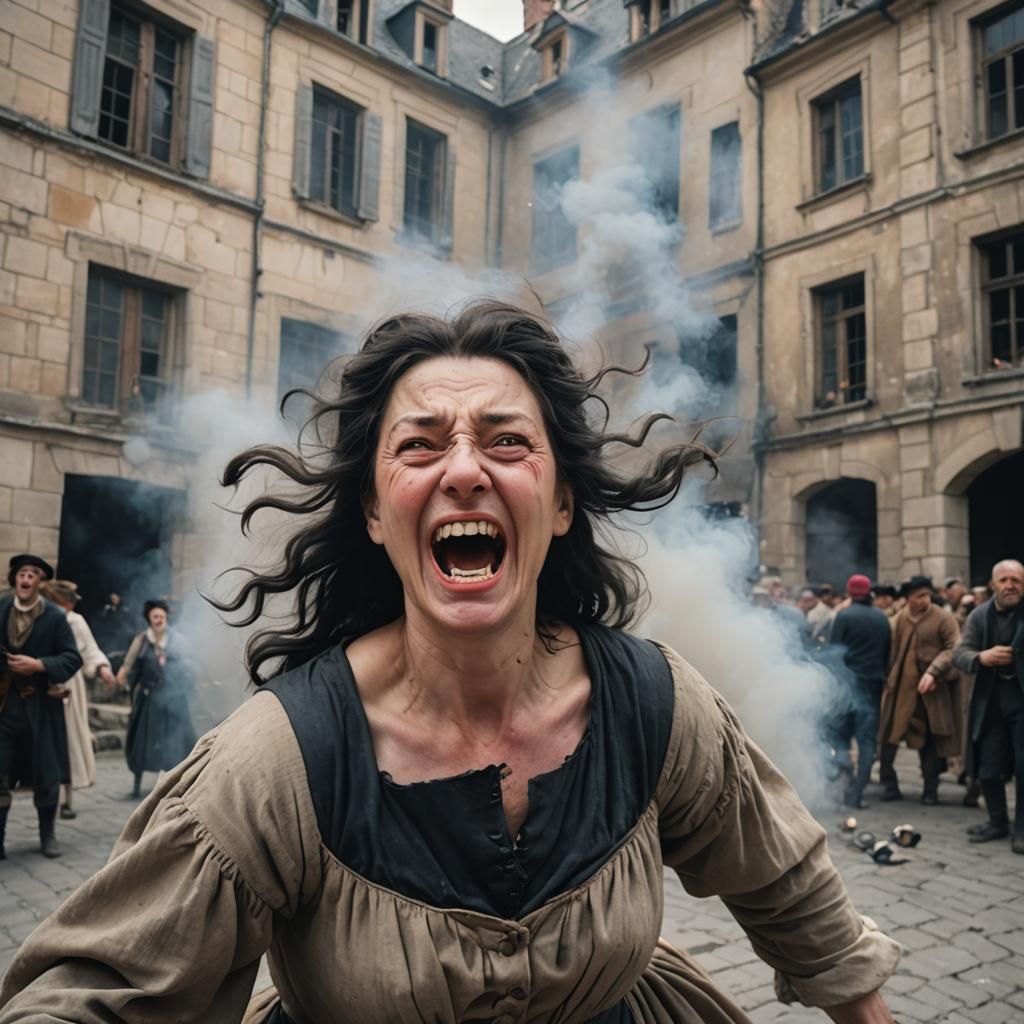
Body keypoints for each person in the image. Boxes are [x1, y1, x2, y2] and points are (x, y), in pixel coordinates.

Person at [0, 303, 899, 1023]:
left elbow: (788, 885)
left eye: (507, 441)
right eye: (420, 444)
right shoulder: (279, 760)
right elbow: (88, 997)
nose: (464, 469)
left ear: (558, 504)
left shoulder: (655, 702)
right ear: (373, 512)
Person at [0, 554, 82, 859]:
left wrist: (38, 664)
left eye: (33, 574)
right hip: (5, 709)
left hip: (41, 710)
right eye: (22, 573)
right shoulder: (1, 608)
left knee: (46, 775)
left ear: (39, 582)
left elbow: (73, 658)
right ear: (14, 578)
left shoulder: (55, 618)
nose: (26, 579)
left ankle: (47, 836)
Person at [953, 559, 1024, 852]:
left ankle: (1022, 829)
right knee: (987, 767)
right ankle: (998, 822)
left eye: (1016, 580)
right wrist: (982, 657)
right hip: (990, 702)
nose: (1010, 586)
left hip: (1021, 702)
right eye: (1004, 580)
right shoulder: (980, 616)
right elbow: (960, 653)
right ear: (993, 584)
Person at [878, 576, 961, 805]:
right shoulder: (898, 620)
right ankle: (889, 784)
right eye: (918, 596)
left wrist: (935, 670)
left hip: (931, 693)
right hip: (901, 692)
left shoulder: (943, 618)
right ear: (908, 599)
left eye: (926, 595)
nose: (923, 600)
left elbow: (954, 647)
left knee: (930, 742)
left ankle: (930, 790)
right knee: (889, 737)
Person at [39, 580, 117, 819]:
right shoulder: (41, 617)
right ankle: (41, 793)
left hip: (70, 685)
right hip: (42, 681)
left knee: (69, 739)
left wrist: (102, 667)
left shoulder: (76, 621)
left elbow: (90, 650)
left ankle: (65, 799)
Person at [117, 599, 196, 799]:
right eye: (155, 616)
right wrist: (122, 674)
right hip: (149, 699)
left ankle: (177, 785)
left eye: (162, 616)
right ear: (149, 619)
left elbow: (190, 664)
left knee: (176, 742)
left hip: (173, 698)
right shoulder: (142, 640)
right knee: (142, 741)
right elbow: (128, 663)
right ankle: (137, 785)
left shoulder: (178, 640)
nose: (159, 619)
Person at [825, 575, 891, 809]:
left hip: (846, 686)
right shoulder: (882, 618)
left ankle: (844, 784)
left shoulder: (844, 616)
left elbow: (833, 653)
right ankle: (856, 794)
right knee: (867, 743)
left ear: (850, 591)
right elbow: (887, 654)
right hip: (872, 686)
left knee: (841, 739)